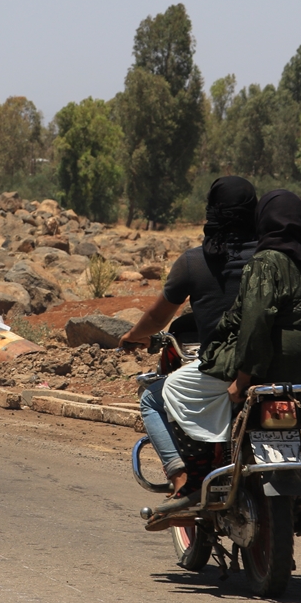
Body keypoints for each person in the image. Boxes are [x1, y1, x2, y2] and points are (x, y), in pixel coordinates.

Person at [149, 189, 301, 523]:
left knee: (170, 390)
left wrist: (241, 381)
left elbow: (255, 324)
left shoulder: (266, 263)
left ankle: (191, 477)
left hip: (262, 370)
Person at [119, 176, 259, 502]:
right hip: (274, 366)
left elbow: (157, 318)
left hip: (224, 367)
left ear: (212, 213)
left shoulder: (194, 262)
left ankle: (183, 478)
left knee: (153, 398)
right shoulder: (273, 256)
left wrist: (131, 337)